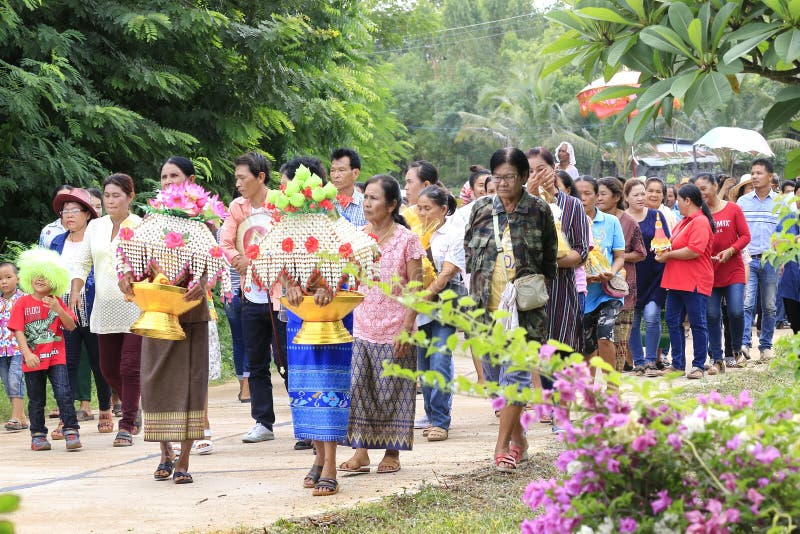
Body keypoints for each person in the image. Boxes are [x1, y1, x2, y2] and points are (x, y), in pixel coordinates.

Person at [465, 147, 558, 472]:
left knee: (515, 378)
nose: (503, 183)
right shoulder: (478, 211)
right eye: (497, 177)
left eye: (510, 177)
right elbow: (469, 255)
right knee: (495, 379)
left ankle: (502, 446)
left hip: (524, 313)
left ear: (522, 177)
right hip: (486, 311)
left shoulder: (539, 211)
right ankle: (519, 439)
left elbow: (549, 259)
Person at [339, 174, 424, 475]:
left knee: (395, 389)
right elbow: (347, 280)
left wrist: (407, 326)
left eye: (374, 198)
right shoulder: (357, 237)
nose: (367, 203)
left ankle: (393, 452)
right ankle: (360, 453)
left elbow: (416, 285)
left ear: (391, 205)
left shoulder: (407, 239)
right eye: (366, 197)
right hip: (362, 325)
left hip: (397, 326)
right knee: (359, 387)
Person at [71, 174, 142, 447]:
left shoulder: (139, 226)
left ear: (130, 197)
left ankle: (126, 424)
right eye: (107, 195)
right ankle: (133, 404)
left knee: (130, 366)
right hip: (103, 307)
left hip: (134, 307)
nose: (110, 200)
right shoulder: (95, 227)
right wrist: (76, 290)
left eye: (116, 195)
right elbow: (82, 262)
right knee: (108, 369)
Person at [219, 152, 277, 443]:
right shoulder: (237, 207)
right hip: (251, 293)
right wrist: (237, 259)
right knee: (256, 361)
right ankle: (263, 422)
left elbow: (290, 243)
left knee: (286, 360)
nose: (238, 183)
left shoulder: (281, 204)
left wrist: (254, 261)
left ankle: (304, 421)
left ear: (260, 177)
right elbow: (226, 242)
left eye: (243, 177)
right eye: (237, 177)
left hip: (281, 295)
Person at [50, 188, 114, 434]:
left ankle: (106, 409)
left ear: (88, 214)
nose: (68, 216)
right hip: (64, 310)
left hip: (95, 306)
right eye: (64, 212)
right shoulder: (57, 242)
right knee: (66, 365)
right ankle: (67, 417)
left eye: (74, 211)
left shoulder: (98, 239)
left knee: (100, 363)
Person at [9, 248, 79, 451]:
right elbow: (18, 330)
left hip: (56, 357)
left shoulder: (56, 302)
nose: (40, 279)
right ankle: (38, 434)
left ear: (54, 280)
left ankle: (71, 430)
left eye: (45, 276)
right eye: (36, 275)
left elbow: (71, 326)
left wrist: (58, 310)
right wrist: (27, 353)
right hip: (32, 359)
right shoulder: (22, 302)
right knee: (36, 399)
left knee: (64, 394)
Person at [414, 185, 465, 442]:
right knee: (423, 363)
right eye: (419, 208)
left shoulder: (453, 234)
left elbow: (447, 272)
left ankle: (441, 420)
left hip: (445, 301)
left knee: (440, 358)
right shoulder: (413, 233)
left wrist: (426, 293)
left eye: (427, 208)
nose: (422, 213)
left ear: (443, 210)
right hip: (420, 306)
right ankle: (432, 415)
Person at [656, 184, 715, 379]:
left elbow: (694, 250)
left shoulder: (700, 222)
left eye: (679, 200)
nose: (676, 203)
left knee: (698, 323)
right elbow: (675, 244)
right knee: (673, 321)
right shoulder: (684, 221)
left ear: (687, 200)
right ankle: (678, 364)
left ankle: (698, 364)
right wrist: (663, 251)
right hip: (676, 281)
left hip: (694, 280)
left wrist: (668, 255)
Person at [693, 173, 750, 373]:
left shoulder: (733, 209)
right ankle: (717, 359)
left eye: (704, 188)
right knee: (712, 314)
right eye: (697, 190)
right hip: (709, 272)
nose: (701, 194)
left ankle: (736, 348)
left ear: (715, 186)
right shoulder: (699, 214)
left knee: (735, 311)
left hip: (733, 269)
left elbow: (745, 236)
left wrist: (731, 250)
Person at [574, 176, 626, 375]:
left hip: (608, 292)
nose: (583, 198)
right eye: (579, 194)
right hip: (583, 291)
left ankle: (612, 388)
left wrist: (611, 272)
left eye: (588, 193)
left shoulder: (611, 222)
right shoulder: (569, 222)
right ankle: (589, 390)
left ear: (597, 196)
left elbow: (620, 256)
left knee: (605, 336)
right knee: (587, 345)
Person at [597, 177, 646, 372]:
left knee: (618, 340)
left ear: (617, 197)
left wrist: (617, 255)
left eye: (603, 194)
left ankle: (613, 385)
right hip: (596, 288)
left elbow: (641, 253)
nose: (598, 198)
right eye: (597, 194)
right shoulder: (591, 219)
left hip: (621, 287)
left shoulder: (629, 222)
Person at [624, 179, 670, 376]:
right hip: (631, 277)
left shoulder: (656, 215)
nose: (641, 198)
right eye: (636, 194)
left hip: (655, 275)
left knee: (652, 316)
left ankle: (651, 361)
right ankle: (639, 362)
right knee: (632, 322)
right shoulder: (621, 219)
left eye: (643, 193)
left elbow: (666, 242)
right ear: (626, 198)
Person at [737, 159, 779, 362]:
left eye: (759, 173)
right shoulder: (743, 202)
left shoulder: (781, 203)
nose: (754, 176)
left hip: (772, 261)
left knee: (769, 306)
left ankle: (766, 346)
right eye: (752, 173)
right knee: (747, 304)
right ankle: (744, 344)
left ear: (770, 177)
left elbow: (785, 233)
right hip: (747, 260)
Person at [0, 262, 28, 431]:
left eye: (8, 277)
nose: (4, 282)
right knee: (6, 382)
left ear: (17, 278)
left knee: (14, 379)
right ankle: (22, 417)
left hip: (19, 348)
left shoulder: (24, 299)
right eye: (0, 279)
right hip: (1, 350)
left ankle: (15, 418)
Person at [330, 148, 366, 227]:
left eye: (341, 170)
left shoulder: (366, 206)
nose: (336, 175)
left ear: (355, 173)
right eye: (332, 170)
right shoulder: (323, 204)